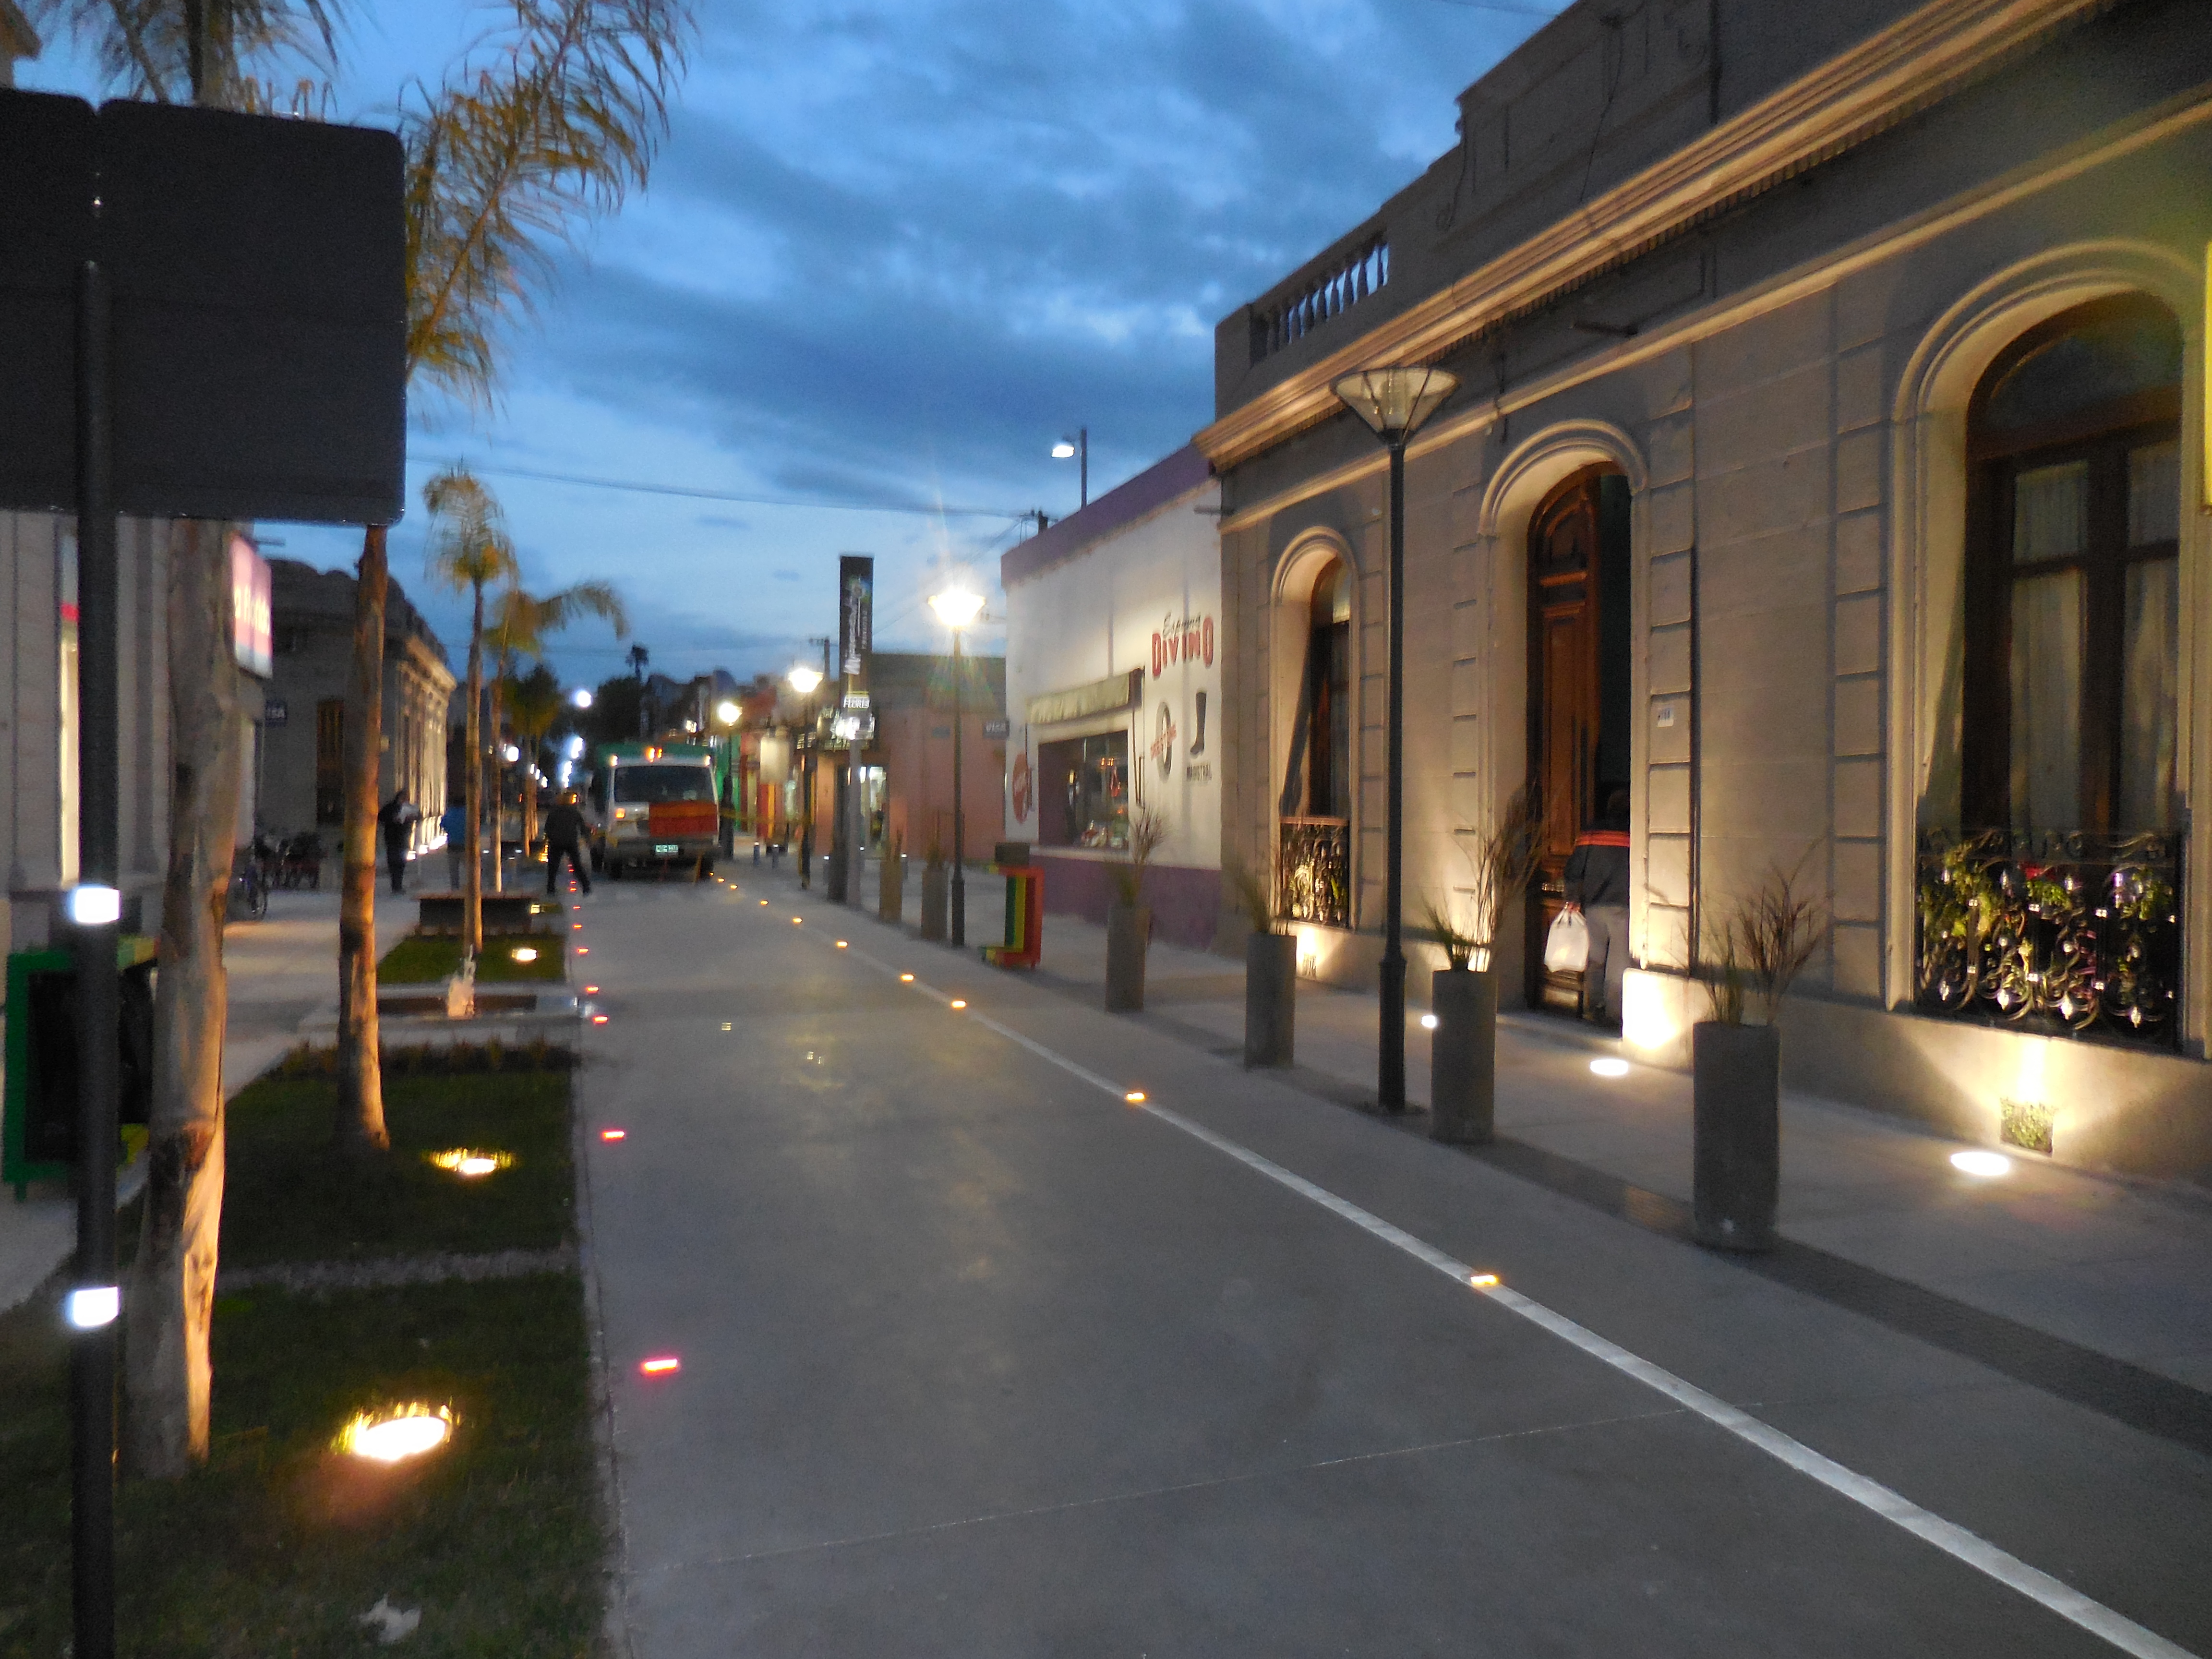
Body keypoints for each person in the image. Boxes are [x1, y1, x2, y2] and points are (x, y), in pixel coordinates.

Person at [1563, 786, 1631, 1027]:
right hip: (1624, 907)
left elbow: (1574, 868)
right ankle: (1614, 1014)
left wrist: (1572, 898)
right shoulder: (1634, 834)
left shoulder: (1591, 833)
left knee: (1595, 958)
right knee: (1619, 962)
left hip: (1594, 905)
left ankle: (1593, 1008)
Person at [542, 790, 592, 896]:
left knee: (553, 867)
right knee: (577, 865)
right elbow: (582, 827)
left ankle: (551, 889)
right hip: (571, 842)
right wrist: (587, 839)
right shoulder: (574, 812)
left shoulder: (554, 812)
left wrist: (550, 837)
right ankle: (586, 886)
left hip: (556, 842)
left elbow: (548, 827)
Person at [376, 790, 418, 895]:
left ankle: (398, 885)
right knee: (393, 862)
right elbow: (381, 817)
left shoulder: (409, 807)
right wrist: (393, 819)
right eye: (405, 798)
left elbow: (419, 816)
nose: (406, 800)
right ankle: (395, 885)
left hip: (404, 838)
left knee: (401, 862)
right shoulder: (390, 807)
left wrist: (413, 817)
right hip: (392, 838)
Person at [440, 798, 468, 890]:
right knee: (469, 869)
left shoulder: (449, 813)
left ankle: (455, 889)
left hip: (452, 845)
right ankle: (470, 887)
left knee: (454, 870)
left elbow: (443, 825)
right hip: (466, 845)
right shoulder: (468, 814)